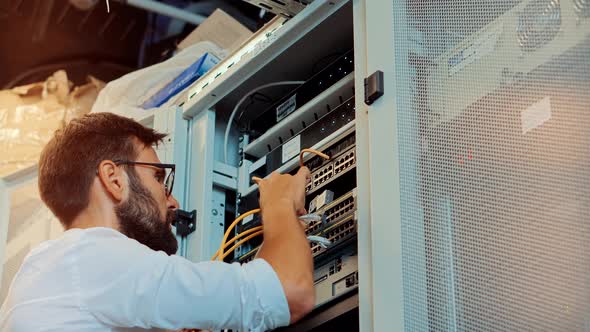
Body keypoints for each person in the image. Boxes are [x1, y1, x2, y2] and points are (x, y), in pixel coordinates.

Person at [0, 112, 315, 331]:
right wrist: (279, 204)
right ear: (114, 179)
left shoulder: (47, 273)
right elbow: (291, 292)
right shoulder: (92, 258)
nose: (174, 202)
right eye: (158, 178)